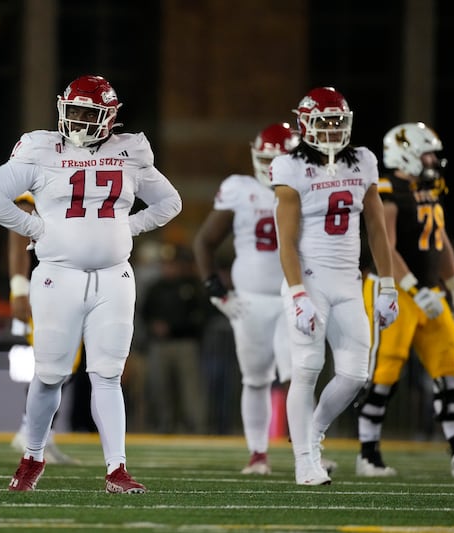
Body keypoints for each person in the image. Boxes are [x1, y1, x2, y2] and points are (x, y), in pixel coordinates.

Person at [0, 74, 182, 493]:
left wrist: (131, 227)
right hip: (57, 276)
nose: (81, 120)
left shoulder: (129, 150)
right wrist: (34, 227)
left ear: (109, 117)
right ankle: (32, 456)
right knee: (50, 375)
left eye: (90, 112)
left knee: (107, 374)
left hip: (114, 277)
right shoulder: (41, 147)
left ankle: (117, 469)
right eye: (74, 111)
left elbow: (170, 202)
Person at [271, 86, 399, 486]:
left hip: (348, 281)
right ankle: (303, 461)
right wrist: (296, 294)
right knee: (306, 369)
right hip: (309, 280)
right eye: (323, 122)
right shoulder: (289, 166)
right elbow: (286, 240)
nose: (330, 130)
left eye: (336, 122)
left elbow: (377, 229)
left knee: (355, 374)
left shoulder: (362, 160)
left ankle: (312, 434)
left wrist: (389, 285)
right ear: (305, 125)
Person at [355, 122, 454, 478]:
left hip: (428, 292)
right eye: (427, 153)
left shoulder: (428, 189)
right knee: (385, 369)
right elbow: (384, 246)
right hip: (394, 290)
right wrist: (415, 289)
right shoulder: (387, 189)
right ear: (405, 153)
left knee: (450, 365)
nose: (433, 159)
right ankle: (367, 452)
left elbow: (440, 240)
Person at [193, 122, 300, 473]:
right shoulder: (239, 189)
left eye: (276, 158)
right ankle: (258, 454)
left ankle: (306, 449)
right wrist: (215, 290)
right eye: (265, 157)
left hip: (291, 296)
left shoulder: (305, 185)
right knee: (255, 379)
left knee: (299, 375)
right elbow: (205, 240)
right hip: (251, 299)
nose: (269, 165)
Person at [8, 192, 78, 465]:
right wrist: (19, 288)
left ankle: (43, 433)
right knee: (50, 362)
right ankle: (30, 430)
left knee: (68, 364)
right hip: (45, 284)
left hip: (73, 284)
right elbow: (18, 235)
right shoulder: (39, 173)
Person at [140, 244, 209, 434]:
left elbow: (200, 316)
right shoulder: (156, 287)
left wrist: (175, 327)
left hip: (185, 343)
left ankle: (196, 427)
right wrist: (154, 326)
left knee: (190, 390)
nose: (169, 268)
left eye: (173, 264)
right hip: (160, 345)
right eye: (166, 264)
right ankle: (165, 426)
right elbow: (144, 312)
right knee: (161, 388)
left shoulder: (192, 285)